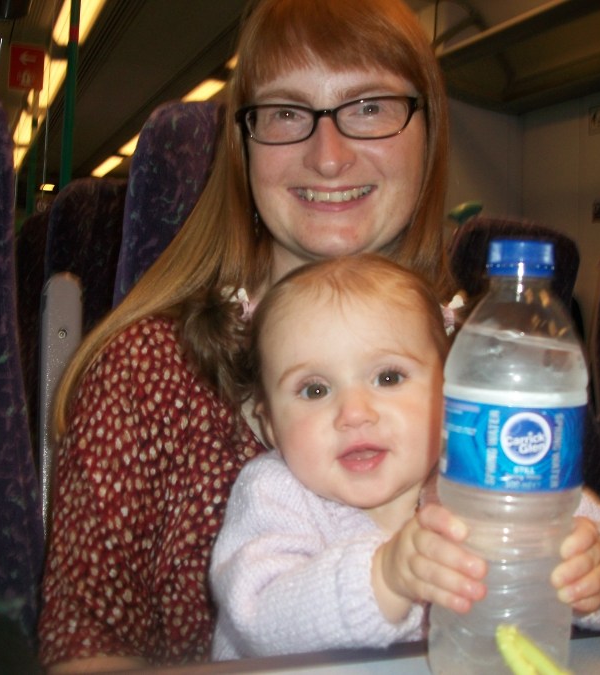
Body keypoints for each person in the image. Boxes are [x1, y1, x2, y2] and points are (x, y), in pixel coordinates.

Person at [38, 0, 452, 670]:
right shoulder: (146, 368)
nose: (329, 156)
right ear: (244, 145)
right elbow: (88, 645)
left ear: (428, 132)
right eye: (288, 113)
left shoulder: (487, 366)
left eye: (369, 106)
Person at [210, 254, 600, 660]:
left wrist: (596, 576)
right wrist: (384, 577)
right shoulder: (273, 494)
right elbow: (257, 617)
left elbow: (586, 529)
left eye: (389, 376)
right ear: (269, 426)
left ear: (452, 394)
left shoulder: (484, 472)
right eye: (315, 390)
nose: (355, 414)